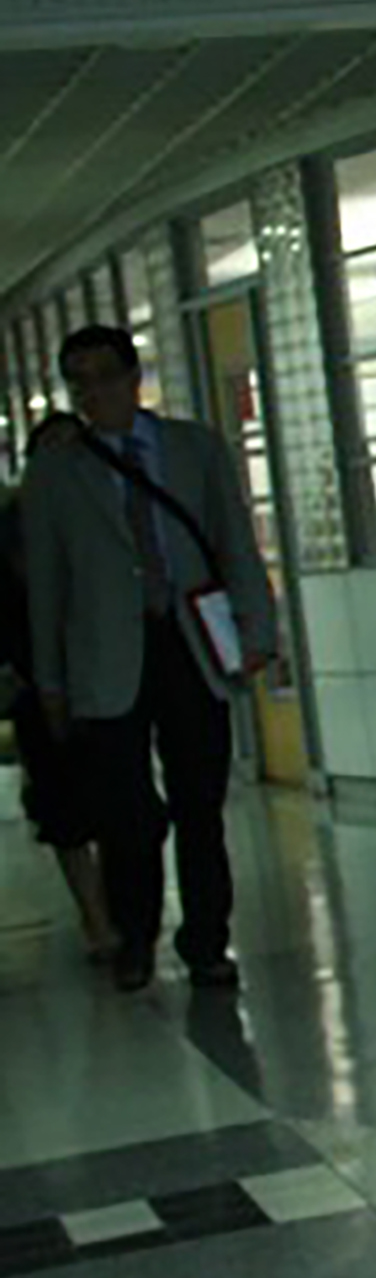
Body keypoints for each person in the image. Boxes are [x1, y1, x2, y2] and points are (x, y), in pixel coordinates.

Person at [21, 327, 275, 993]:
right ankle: (135, 936)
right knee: (126, 814)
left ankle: (207, 942)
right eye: (78, 381)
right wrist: (49, 678)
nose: (93, 392)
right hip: (105, 658)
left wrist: (257, 633)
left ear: (136, 378)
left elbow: (235, 543)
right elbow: (45, 583)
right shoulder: (56, 471)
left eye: (105, 375)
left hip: (188, 642)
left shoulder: (195, 450)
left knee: (200, 802)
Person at [2, 412, 114, 962]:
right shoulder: (10, 528)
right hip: (38, 686)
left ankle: (113, 908)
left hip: (105, 679)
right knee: (65, 809)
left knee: (119, 801)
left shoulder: (108, 514)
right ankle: (97, 917)